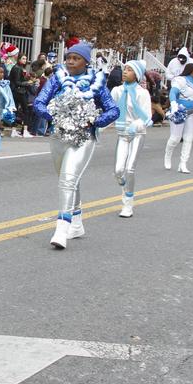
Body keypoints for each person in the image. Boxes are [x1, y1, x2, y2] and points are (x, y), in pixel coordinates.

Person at [33, 41, 119, 249]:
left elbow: (113, 110)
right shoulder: (57, 78)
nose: (70, 61)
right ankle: (77, 222)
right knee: (70, 178)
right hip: (58, 136)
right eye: (69, 57)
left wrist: (93, 121)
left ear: (86, 62)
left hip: (83, 137)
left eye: (76, 58)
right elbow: (39, 102)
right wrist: (54, 115)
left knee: (68, 180)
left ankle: (61, 229)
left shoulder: (97, 82)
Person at [111, 60, 151, 218]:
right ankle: (124, 187)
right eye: (124, 69)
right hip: (122, 134)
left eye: (129, 70)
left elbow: (147, 117)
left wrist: (136, 125)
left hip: (137, 134)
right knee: (118, 171)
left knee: (129, 169)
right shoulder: (117, 91)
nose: (125, 72)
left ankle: (128, 203)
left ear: (137, 74)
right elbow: (109, 110)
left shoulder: (142, 93)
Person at [165, 61, 193, 173]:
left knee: (188, 139)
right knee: (175, 138)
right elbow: (173, 93)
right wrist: (173, 104)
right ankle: (167, 156)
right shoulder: (180, 80)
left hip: (191, 114)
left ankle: (183, 164)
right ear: (192, 71)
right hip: (179, 112)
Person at [9, 53, 33, 137]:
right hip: (20, 92)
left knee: (15, 111)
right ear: (19, 59)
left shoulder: (19, 68)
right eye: (23, 58)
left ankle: (14, 130)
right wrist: (28, 83)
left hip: (16, 91)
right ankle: (25, 130)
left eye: (25, 59)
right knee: (25, 111)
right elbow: (17, 82)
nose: (25, 60)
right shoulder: (17, 68)